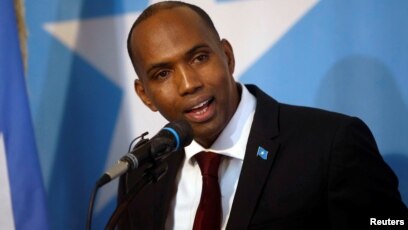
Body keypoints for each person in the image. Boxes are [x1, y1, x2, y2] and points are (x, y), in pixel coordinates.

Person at [117, 1, 408, 229]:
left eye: (199, 57)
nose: (189, 83)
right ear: (145, 95)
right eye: (163, 73)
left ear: (227, 56)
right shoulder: (141, 172)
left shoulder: (330, 144)